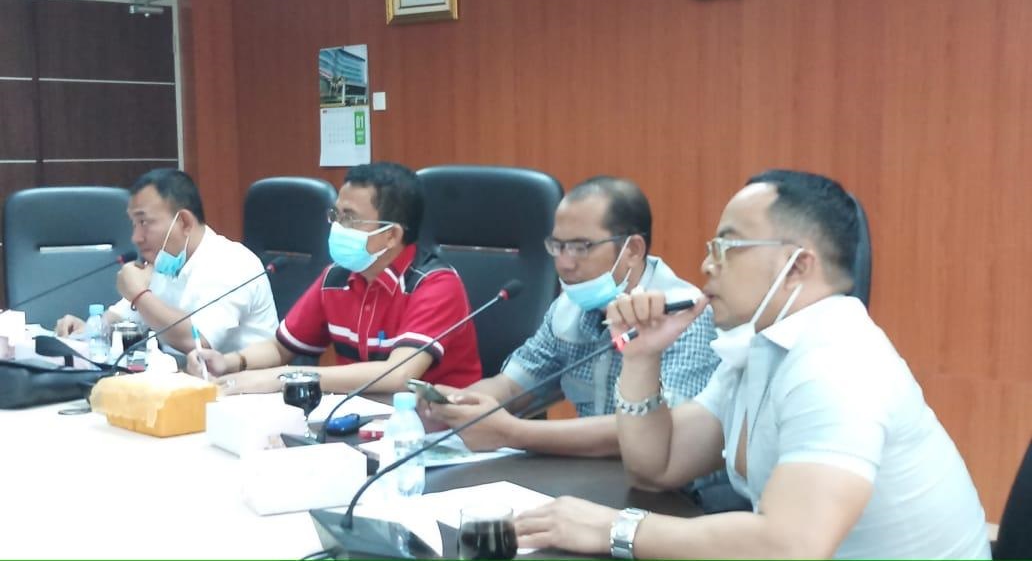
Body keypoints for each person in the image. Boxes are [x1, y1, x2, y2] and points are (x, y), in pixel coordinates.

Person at [514, 170, 990, 559]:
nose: (707, 266)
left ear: (796, 267)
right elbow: (656, 466)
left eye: (727, 248)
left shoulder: (837, 363)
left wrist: (616, 529)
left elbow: (791, 546)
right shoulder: (761, 348)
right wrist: (641, 357)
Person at [427, 176, 721, 458]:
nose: (565, 263)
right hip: (584, 472)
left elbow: (658, 431)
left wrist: (513, 433)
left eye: (581, 248)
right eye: (558, 246)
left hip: (667, 486)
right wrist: (454, 404)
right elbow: (513, 386)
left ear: (632, 250)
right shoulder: (567, 309)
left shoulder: (683, 316)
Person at [185, 162, 482, 394]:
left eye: (349, 218)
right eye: (336, 215)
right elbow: (280, 348)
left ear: (391, 235)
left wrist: (286, 378)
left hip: (440, 431)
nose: (337, 227)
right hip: (362, 418)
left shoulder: (435, 284)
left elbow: (398, 374)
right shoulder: (337, 278)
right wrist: (229, 362)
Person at [55, 168, 278, 355]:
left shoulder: (231, 263)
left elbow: (197, 341)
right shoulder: (164, 261)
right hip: (184, 382)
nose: (136, 238)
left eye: (144, 222)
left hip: (242, 386)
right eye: (134, 224)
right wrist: (89, 331)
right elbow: (120, 318)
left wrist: (139, 295)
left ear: (184, 222)